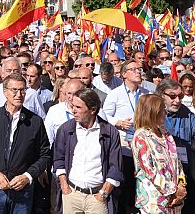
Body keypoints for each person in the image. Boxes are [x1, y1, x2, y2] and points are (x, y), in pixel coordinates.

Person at [0, 74, 52, 213]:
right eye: (14, 90)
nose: (19, 94)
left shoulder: (35, 122)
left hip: (23, 190)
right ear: (5, 92)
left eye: (22, 90)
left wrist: (27, 176)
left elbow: (44, 155)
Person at [53, 88, 124, 214]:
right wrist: (64, 186)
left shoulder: (110, 132)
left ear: (93, 109)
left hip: (97, 197)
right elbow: (59, 159)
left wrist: (103, 193)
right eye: (73, 106)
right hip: (72, 194)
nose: (73, 110)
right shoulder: (66, 130)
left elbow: (116, 167)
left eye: (78, 107)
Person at [101, 59, 151, 214]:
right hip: (124, 143)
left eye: (139, 69)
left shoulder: (146, 94)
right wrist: (118, 122)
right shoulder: (115, 94)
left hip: (143, 143)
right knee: (127, 180)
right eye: (133, 69)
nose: (138, 72)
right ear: (124, 74)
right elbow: (104, 115)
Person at [132, 94, 186, 214]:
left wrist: (181, 184)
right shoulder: (141, 136)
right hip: (154, 201)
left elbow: (176, 161)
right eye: (162, 110)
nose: (165, 113)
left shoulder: (165, 132)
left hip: (173, 202)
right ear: (153, 112)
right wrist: (173, 190)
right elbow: (149, 170)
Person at [156, 79, 195, 214]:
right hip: (162, 177)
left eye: (180, 96)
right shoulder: (152, 113)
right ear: (161, 95)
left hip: (185, 172)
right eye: (172, 96)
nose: (177, 101)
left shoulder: (186, 112)